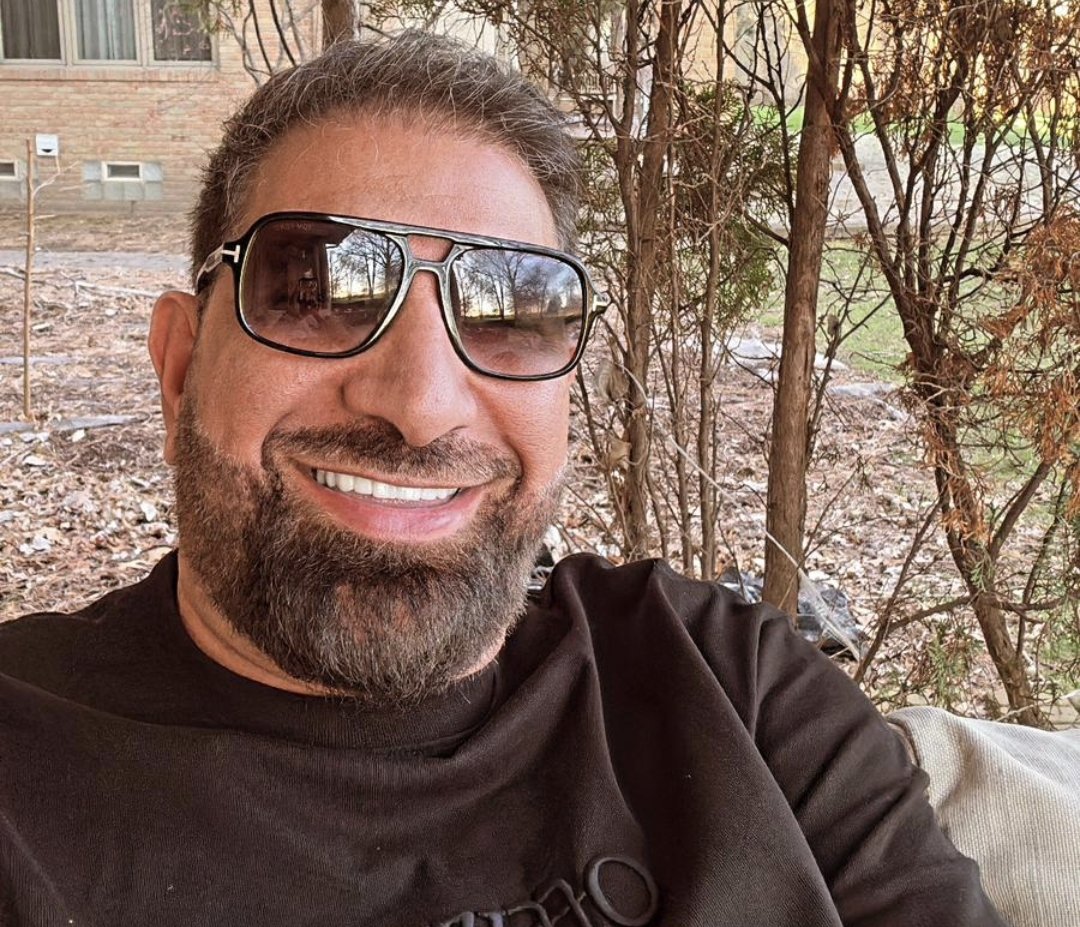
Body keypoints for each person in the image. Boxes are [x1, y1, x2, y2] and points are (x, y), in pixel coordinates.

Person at [0, 32, 1005, 927]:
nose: (422, 404)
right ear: (180, 368)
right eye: (317, 290)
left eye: (511, 312)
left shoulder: (731, 684)